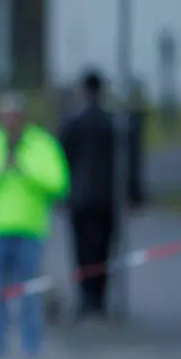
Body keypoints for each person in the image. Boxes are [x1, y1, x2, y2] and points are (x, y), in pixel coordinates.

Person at [0, 93, 70, 357]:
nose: (10, 121)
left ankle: (31, 346)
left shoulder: (41, 145)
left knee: (29, 292)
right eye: (5, 116)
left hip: (29, 228)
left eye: (14, 116)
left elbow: (59, 183)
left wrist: (25, 169)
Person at [57, 70, 118, 318]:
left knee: (83, 251)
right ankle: (99, 300)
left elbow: (62, 159)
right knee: (103, 250)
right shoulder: (112, 122)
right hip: (106, 198)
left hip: (80, 198)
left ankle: (86, 298)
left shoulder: (72, 123)